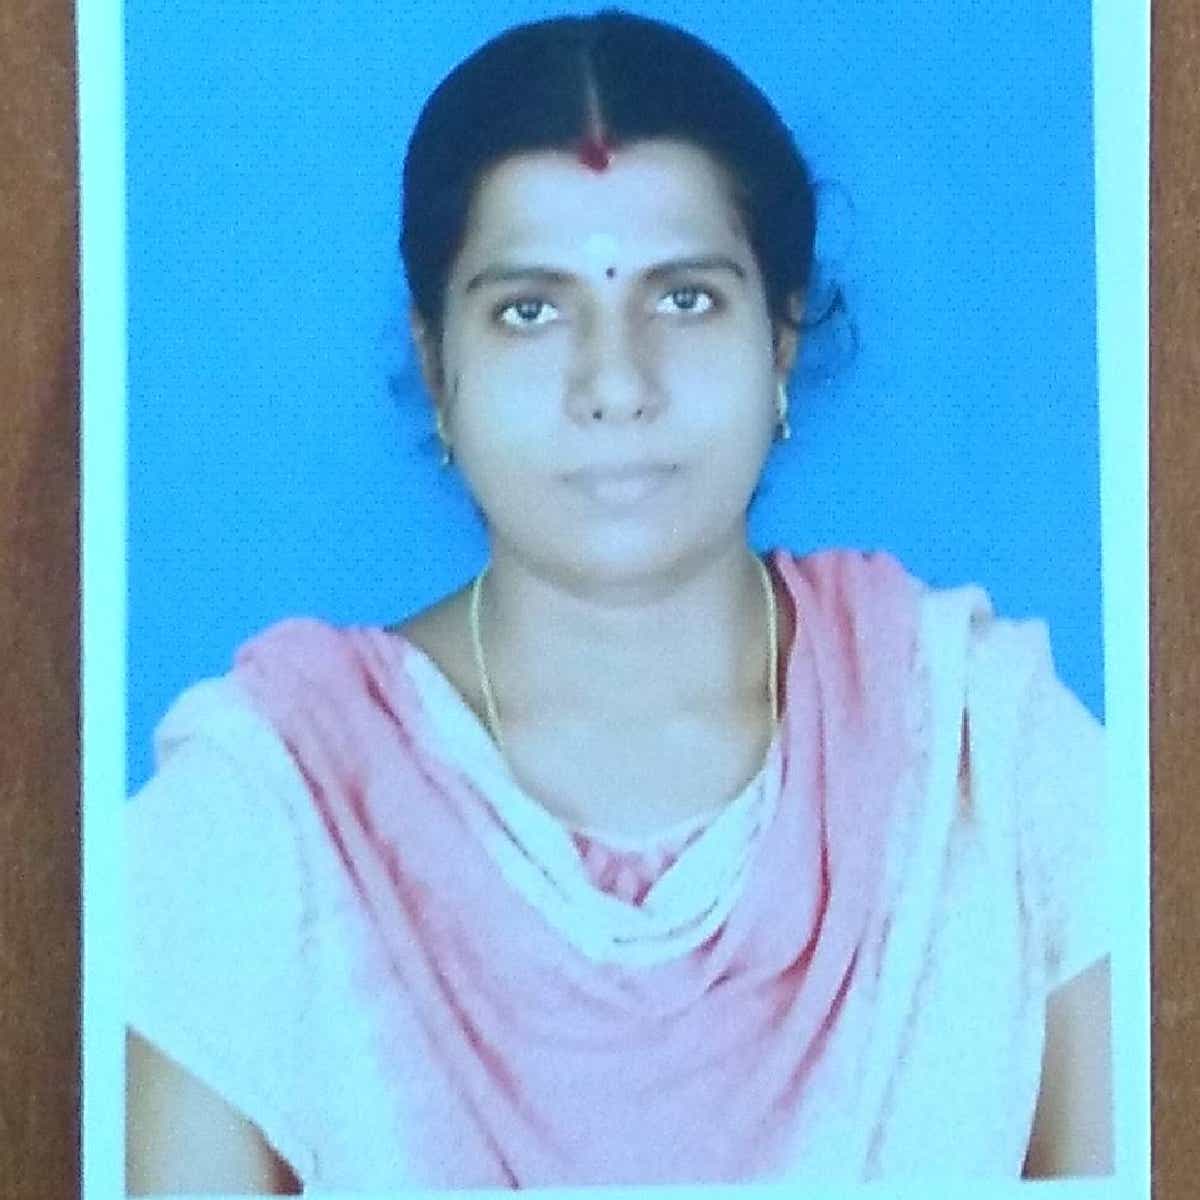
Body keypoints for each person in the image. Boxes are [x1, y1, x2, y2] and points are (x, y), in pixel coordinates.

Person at [124, 9, 1112, 1193]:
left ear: (781, 340)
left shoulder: (984, 759)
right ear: (437, 368)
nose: (615, 383)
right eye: (530, 310)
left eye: (683, 298)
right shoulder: (267, 816)